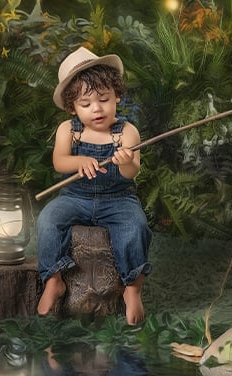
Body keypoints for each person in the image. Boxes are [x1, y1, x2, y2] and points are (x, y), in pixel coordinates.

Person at [36, 46, 152, 325]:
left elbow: (130, 173)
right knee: (48, 220)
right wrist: (79, 162)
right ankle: (54, 279)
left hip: (118, 198)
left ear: (117, 96)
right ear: (72, 107)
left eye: (104, 99)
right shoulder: (69, 130)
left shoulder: (126, 132)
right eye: (86, 104)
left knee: (135, 227)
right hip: (76, 196)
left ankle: (132, 289)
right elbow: (59, 162)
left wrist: (125, 161)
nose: (96, 109)